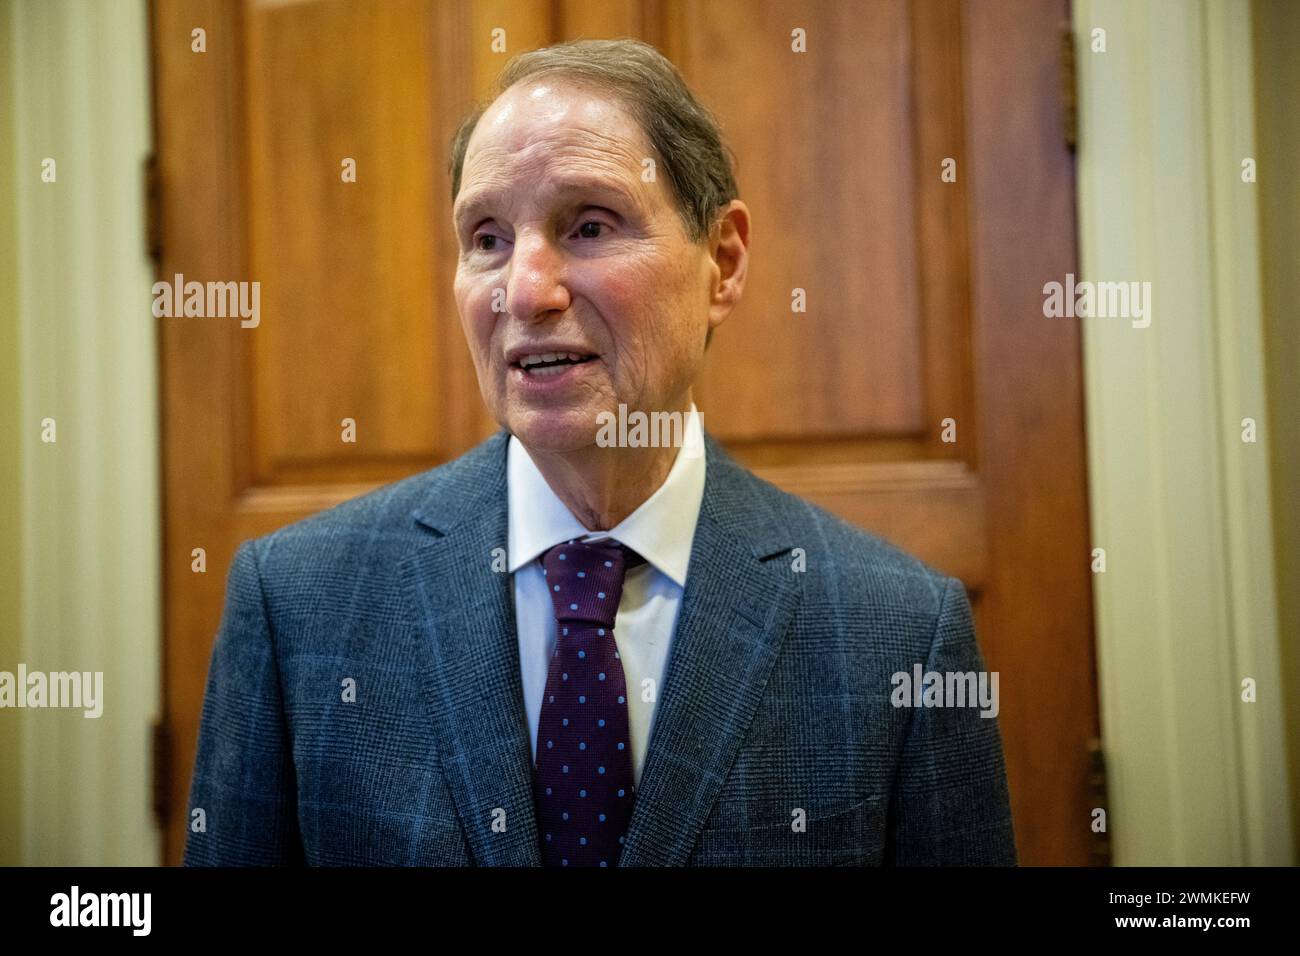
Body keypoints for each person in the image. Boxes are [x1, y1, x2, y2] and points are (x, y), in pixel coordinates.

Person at [184, 37, 1015, 867]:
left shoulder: (902, 633)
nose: (525, 291)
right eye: (486, 238)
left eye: (588, 225)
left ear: (721, 263)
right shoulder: (296, 606)